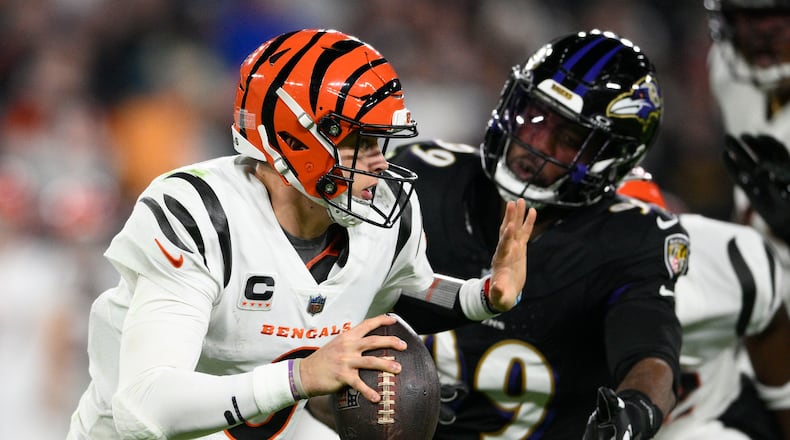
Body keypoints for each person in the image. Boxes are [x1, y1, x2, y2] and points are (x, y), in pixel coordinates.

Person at [66, 28, 537, 440]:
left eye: (380, 142)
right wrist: (300, 377)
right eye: (359, 142)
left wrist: (484, 297)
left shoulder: (385, 218)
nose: (378, 163)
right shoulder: (202, 215)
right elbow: (145, 408)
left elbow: (404, 290)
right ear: (293, 138)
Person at [388, 29, 685, 439]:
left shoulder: (628, 238)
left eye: (568, 139)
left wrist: (634, 413)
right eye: (534, 115)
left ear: (612, 159)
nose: (535, 142)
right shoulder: (426, 177)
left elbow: (651, 358)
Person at [618, 170, 790, 440]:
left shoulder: (725, 264)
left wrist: (782, 401)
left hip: (705, 421)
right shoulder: (543, 286)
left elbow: (769, 314)